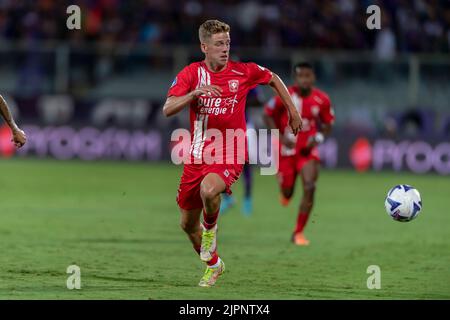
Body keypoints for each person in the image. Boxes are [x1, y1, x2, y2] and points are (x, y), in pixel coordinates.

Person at [162, 20, 302, 287]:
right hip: (197, 155)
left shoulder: (243, 72)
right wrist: (193, 94)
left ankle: (211, 232)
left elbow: (273, 78)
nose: (225, 49)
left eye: (227, 43)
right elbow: (168, 108)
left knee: (209, 190)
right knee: (187, 225)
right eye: (218, 44)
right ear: (204, 47)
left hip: (231, 149)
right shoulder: (192, 74)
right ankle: (214, 264)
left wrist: (292, 111)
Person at [263, 62, 334, 246]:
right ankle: (285, 194)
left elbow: (327, 125)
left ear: (313, 78)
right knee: (288, 191)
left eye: (307, 76)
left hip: (307, 151)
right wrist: (278, 135)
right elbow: (267, 114)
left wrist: (317, 138)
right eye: (300, 76)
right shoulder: (284, 96)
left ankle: (298, 233)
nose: (304, 80)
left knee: (310, 187)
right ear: (295, 79)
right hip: (286, 151)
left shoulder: (322, 99)